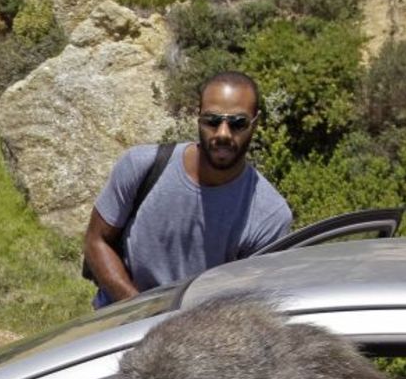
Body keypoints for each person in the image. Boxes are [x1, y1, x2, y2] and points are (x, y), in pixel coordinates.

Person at [84, 71, 293, 308]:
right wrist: (139, 311)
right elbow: (97, 240)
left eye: (238, 123)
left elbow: (249, 302)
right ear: (198, 117)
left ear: (256, 122)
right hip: (120, 321)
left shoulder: (269, 214)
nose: (223, 133)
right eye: (212, 121)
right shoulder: (141, 166)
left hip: (200, 336)